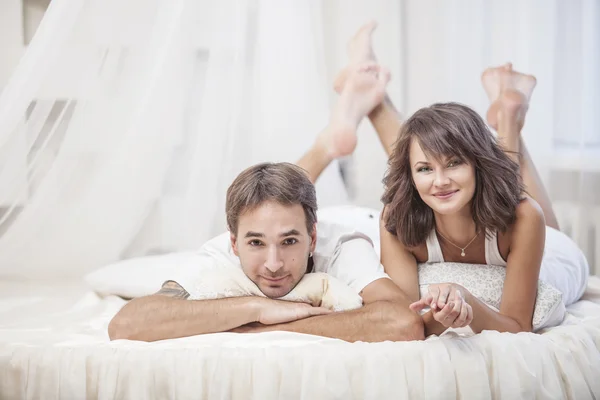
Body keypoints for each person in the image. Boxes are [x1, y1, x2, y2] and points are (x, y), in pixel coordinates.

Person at [301, 21, 589, 336]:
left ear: (477, 163)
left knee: (509, 190)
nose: (439, 181)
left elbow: (518, 328)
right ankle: (505, 114)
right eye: (424, 169)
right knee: (428, 150)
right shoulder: (397, 220)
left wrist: (468, 301)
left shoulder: (524, 216)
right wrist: (444, 314)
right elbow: (408, 320)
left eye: (454, 164)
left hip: (557, 252)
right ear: (411, 175)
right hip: (470, 193)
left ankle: (509, 122)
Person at [108, 160, 425, 342]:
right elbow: (126, 324)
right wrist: (256, 307)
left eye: (289, 242)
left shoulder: (343, 246)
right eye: (256, 243)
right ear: (234, 243)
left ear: (311, 238)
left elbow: (404, 321)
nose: (273, 265)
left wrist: (274, 325)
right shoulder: (220, 251)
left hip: (362, 218)